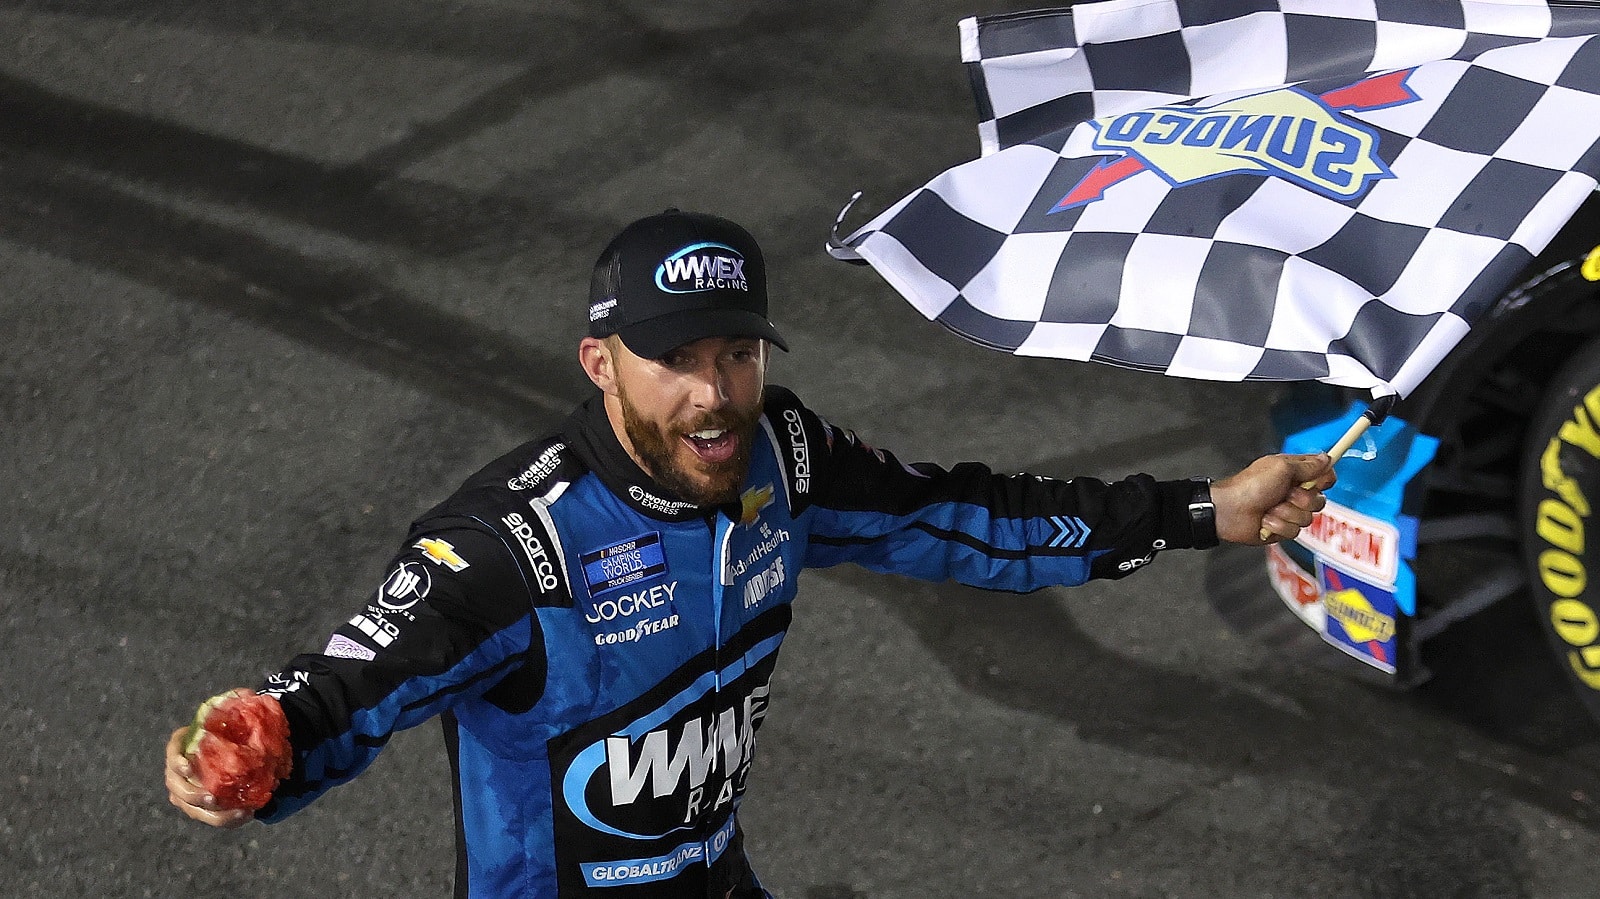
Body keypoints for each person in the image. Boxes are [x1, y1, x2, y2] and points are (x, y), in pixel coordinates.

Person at [165, 209, 1333, 898]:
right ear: (599, 363)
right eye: (676, 359)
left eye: (735, 352)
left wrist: (1203, 509)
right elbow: (344, 686)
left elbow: (970, 515)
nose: (714, 394)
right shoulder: (511, 546)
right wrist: (256, 744)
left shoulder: (785, 456)